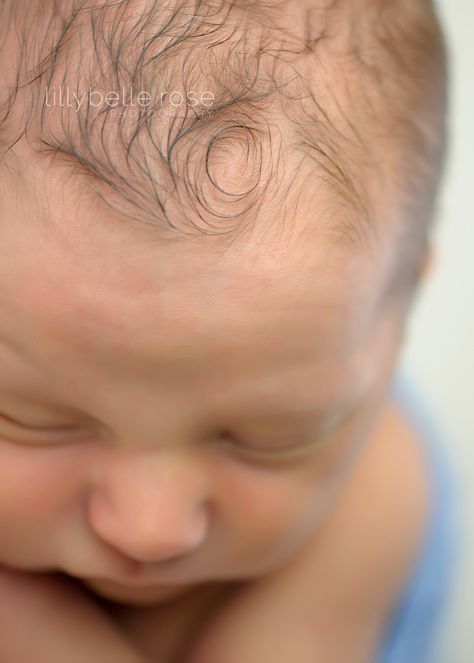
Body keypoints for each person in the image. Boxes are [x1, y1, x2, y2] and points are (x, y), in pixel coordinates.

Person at [0, 0, 454, 661]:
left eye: (266, 438)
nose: (149, 528)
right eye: (29, 415)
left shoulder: (371, 497)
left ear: (400, 310)